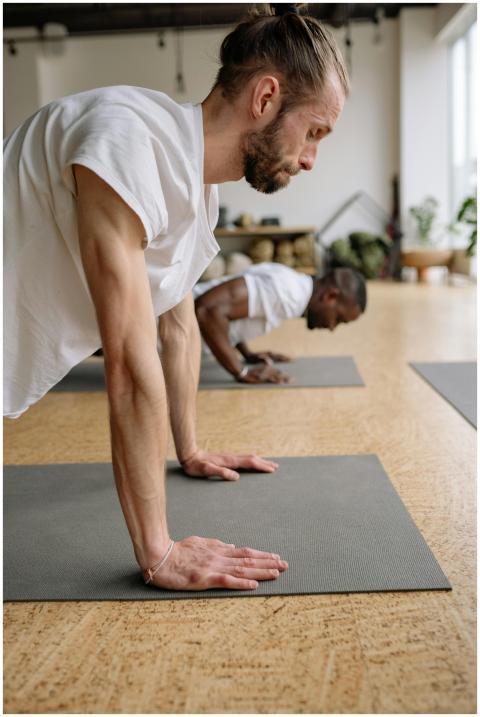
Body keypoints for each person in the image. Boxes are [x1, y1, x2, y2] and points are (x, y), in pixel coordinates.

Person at [3, 4, 349, 591]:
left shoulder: (197, 194)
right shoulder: (130, 140)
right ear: (266, 98)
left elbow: (178, 327)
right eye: (314, 131)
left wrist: (188, 450)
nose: (312, 158)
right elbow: (131, 365)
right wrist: (158, 552)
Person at [193, 264, 366, 383]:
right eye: (338, 319)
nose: (332, 328)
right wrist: (241, 371)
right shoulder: (288, 294)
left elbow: (232, 313)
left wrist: (247, 354)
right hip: (167, 337)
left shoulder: (294, 285)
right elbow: (207, 310)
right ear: (330, 297)